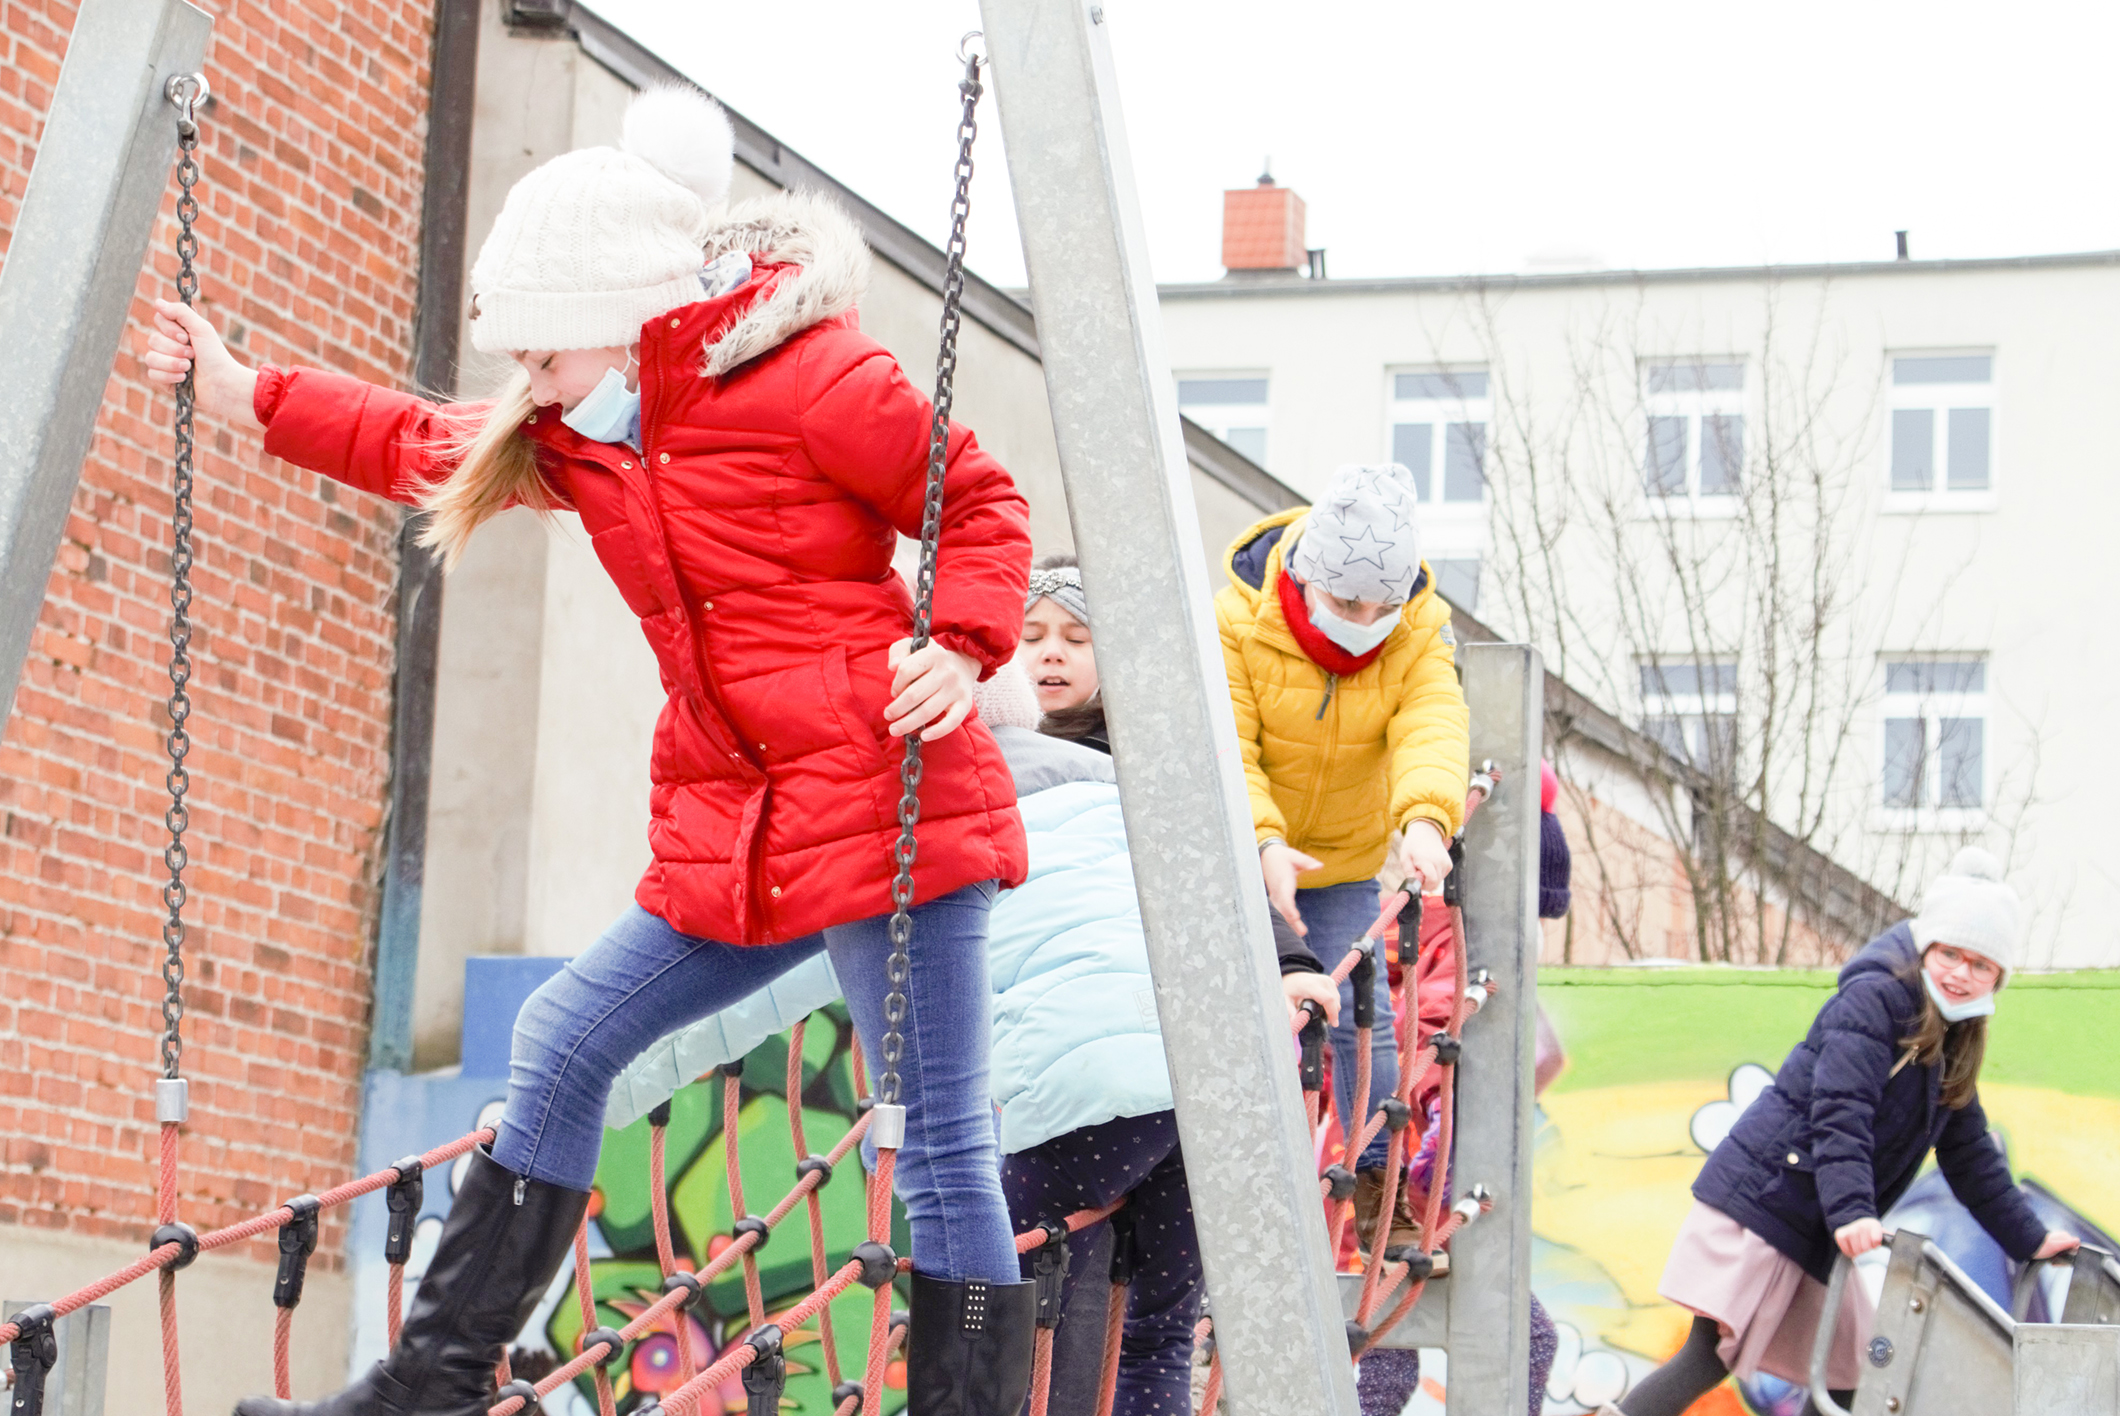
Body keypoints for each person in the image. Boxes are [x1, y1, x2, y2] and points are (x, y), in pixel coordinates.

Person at [145, 86, 1041, 1416]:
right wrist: (244, 394)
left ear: (623, 328)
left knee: (941, 1144)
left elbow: (978, 499)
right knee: (564, 1039)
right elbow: (420, 440)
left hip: (886, 809)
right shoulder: (588, 435)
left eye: (545, 355)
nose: (529, 383)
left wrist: (959, 647)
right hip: (737, 829)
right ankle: (432, 1387)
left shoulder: (815, 383)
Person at [973, 662, 1341, 1416]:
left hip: (1089, 1099)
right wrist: (1294, 963)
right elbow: (1216, 870)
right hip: (1215, 1082)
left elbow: (787, 956)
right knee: (1159, 1334)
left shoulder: (926, 812)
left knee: (999, 1299)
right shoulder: (1120, 783)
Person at [1604, 848, 2080, 1416]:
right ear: (1925, 946)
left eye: (1980, 964)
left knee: (1850, 1374)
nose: (1961, 973)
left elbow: (1969, 1152)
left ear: (1998, 977)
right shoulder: (1876, 998)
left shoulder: (1955, 1036)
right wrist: (1854, 1210)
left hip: (1817, 1219)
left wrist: (2029, 1238)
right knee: (1711, 1352)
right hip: (1769, 1199)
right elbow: (1841, 1110)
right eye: (1951, 952)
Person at [1218, 462, 1470, 1257]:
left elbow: (1431, 719)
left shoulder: (1419, 628)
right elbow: (1231, 748)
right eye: (1347, 603)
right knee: (1245, 1031)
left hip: (1344, 863)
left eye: (1382, 607)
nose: (1367, 620)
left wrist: (1427, 819)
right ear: (1305, 576)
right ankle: (1237, 1200)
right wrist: (1259, 840)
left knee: (1370, 1024)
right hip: (1241, 860)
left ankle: (1374, 1186)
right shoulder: (1239, 620)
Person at [1019, 553, 1106, 752]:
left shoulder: (1129, 752)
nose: (1052, 653)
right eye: (1032, 637)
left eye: (1076, 639)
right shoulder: (973, 738)